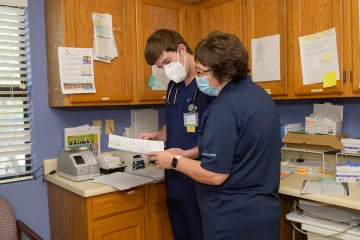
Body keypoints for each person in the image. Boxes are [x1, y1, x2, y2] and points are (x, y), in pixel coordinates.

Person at [147, 30, 281, 240]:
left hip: (232, 219)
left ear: (222, 71)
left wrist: (173, 160)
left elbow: (214, 174)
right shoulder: (260, 96)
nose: (200, 78)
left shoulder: (224, 107)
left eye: (201, 73)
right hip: (263, 216)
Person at [139, 29, 213, 240]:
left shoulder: (208, 86)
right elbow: (173, 126)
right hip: (174, 184)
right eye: (161, 67)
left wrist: (182, 157)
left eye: (168, 62)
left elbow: (216, 140)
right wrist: (156, 135)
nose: (166, 70)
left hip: (199, 185)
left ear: (181, 49)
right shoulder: (173, 87)